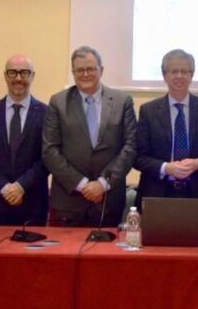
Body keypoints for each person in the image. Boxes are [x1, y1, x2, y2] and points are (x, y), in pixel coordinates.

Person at [42, 46, 137, 227]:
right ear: (73, 72)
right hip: (69, 201)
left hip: (108, 201)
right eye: (80, 70)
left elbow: (130, 146)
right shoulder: (58, 102)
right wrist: (82, 185)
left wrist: (102, 184)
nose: (85, 74)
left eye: (91, 69)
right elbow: (50, 150)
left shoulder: (122, 101)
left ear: (101, 70)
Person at [134, 49, 198, 207]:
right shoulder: (148, 111)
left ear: (192, 75)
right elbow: (138, 157)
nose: (179, 76)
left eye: (184, 71)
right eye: (174, 71)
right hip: (157, 192)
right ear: (164, 75)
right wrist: (166, 168)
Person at [0, 55, 49, 226]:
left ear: (33, 76)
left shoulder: (47, 114)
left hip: (33, 205)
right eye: (13, 73)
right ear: (5, 76)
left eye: (24, 73)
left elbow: (48, 157)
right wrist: (5, 187)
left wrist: (21, 186)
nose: (18, 78)